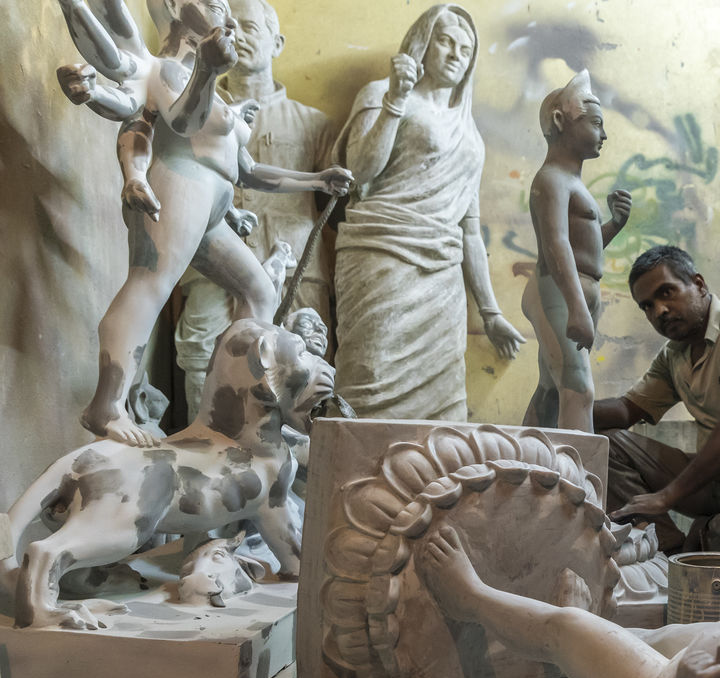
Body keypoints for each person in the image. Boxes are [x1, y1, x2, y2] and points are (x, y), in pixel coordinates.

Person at [55, 0, 352, 447]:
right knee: (148, 286)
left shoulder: (210, 85)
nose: (227, 18)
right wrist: (209, 72)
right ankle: (106, 406)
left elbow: (247, 170)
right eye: (216, 5)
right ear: (176, 7)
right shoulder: (167, 70)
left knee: (260, 291)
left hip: (211, 205)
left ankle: (240, 405)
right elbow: (181, 120)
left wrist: (316, 180)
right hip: (179, 187)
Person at [334, 4, 526, 422]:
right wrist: (396, 100)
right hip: (382, 257)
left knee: (442, 403)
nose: (456, 54)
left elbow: (469, 229)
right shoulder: (380, 93)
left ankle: (434, 462)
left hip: (442, 277)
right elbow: (360, 170)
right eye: (445, 41)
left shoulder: (469, 133)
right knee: (370, 373)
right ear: (423, 43)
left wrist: (490, 312)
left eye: (466, 49)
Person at [594, 246, 720, 573]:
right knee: (607, 443)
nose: (659, 310)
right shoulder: (674, 354)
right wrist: (564, 402)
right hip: (714, 479)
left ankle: (695, 545)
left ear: (699, 285)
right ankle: (668, 553)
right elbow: (625, 411)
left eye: (667, 293)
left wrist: (667, 496)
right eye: (647, 306)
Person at [175, 0, 338, 412]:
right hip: (212, 256)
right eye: (229, 26)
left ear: (277, 43)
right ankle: (202, 438)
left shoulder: (313, 124)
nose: (238, 35)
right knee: (201, 351)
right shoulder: (196, 110)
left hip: (296, 263)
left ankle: (297, 450)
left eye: (249, 27)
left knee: (301, 360)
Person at [521, 70, 631, 433]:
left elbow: (583, 249)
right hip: (560, 291)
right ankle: (579, 468)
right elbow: (556, 244)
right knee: (578, 388)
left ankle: (528, 457)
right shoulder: (551, 179)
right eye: (596, 123)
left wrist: (614, 225)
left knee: (552, 389)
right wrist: (577, 308)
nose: (604, 134)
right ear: (560, 121)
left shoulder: (568, 181)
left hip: (571, 291)